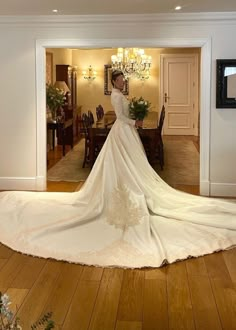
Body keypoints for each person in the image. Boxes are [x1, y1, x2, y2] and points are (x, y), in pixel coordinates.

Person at [0, 70, 235, 269]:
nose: (123, 81)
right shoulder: (115, 96)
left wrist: (136, 118)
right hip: (122, 132)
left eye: (124, 79)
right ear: (114, 82)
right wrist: (136, 122)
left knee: (132, 164)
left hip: (126, 132)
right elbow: (122, 118)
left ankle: (132, 184)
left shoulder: (121, 93)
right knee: (121, 163)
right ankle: (123, 190)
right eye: (120, 79)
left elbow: (126, 115)